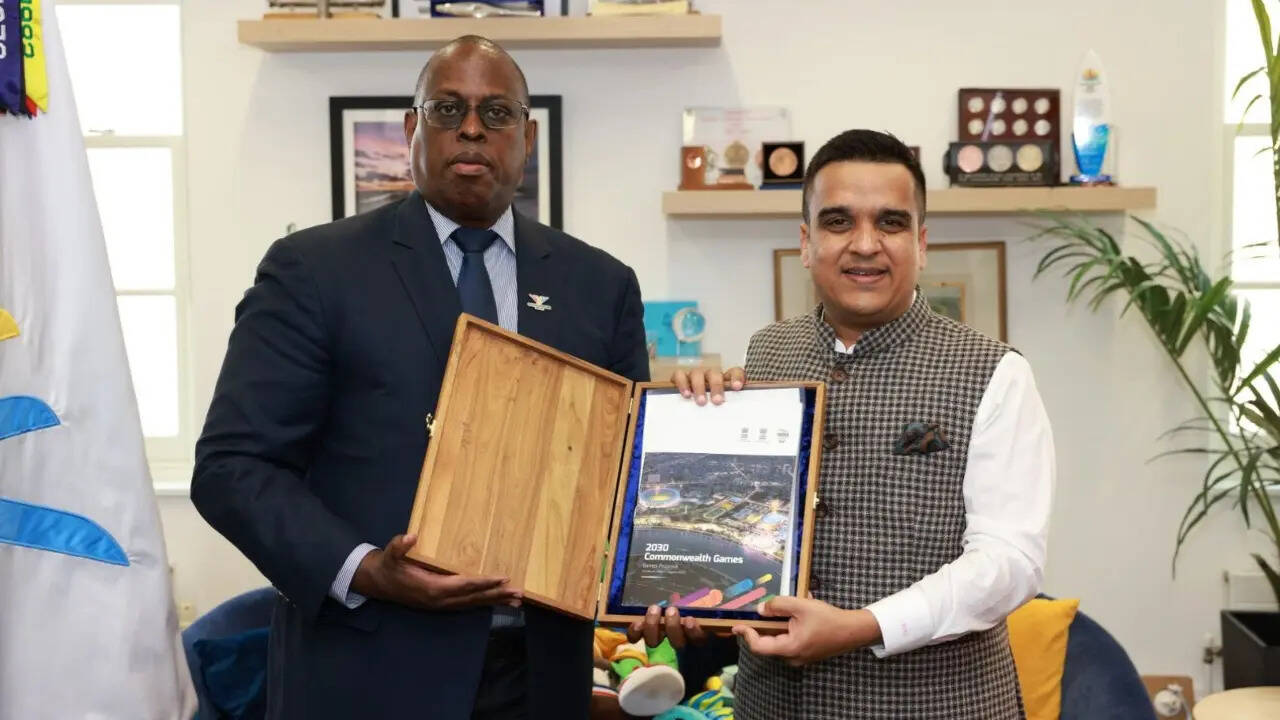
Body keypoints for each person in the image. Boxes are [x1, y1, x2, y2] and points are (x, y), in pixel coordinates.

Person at [191, 35, 649, 720]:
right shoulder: (314, 270)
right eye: (447, 109)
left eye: (497, 112)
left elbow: (627, 479)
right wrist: (366, 568)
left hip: (544, 679)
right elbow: (231, 468)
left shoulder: (601, 285)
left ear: (526, 138)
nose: (472, 129)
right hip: (368, 674)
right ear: (413, 128)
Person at [652, 129, 1054, 719]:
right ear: (806, 242)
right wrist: (683, 594)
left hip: (940, 707)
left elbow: (1010, 563)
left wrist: (865, 625)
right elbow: (746, 540)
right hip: (774, 705)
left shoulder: (996, 371)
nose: (865, 245)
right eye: (839, 222)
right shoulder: (765, 354)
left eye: (890, 223)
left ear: (921, 243)